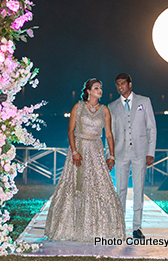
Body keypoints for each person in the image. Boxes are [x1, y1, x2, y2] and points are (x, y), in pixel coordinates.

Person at [45, 78, 125, 242]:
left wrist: (111, 155)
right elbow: (70, 130)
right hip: (79, 150)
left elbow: (109, 134)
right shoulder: (79, 106)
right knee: (74, 186)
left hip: (96, 150)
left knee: (100, 186)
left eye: (100, 88)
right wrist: (74, 151)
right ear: (88, 91)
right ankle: (69, 227)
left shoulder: (104, 110)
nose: (100, 90)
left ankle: (100, 228)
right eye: (96, 88)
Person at [107, 73, 157, 239]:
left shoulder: (144, 101)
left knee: (138, 190)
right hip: (120, 153)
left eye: (122, 83)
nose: (120, 87)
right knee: (120, 190)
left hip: (140, 153)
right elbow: (109, 134)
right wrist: (110, 155)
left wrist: (150, 152)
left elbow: (151, 128)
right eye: (117, 84)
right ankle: (119, 226)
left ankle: (137, 228)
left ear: (130, 83)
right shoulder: (112, 106)